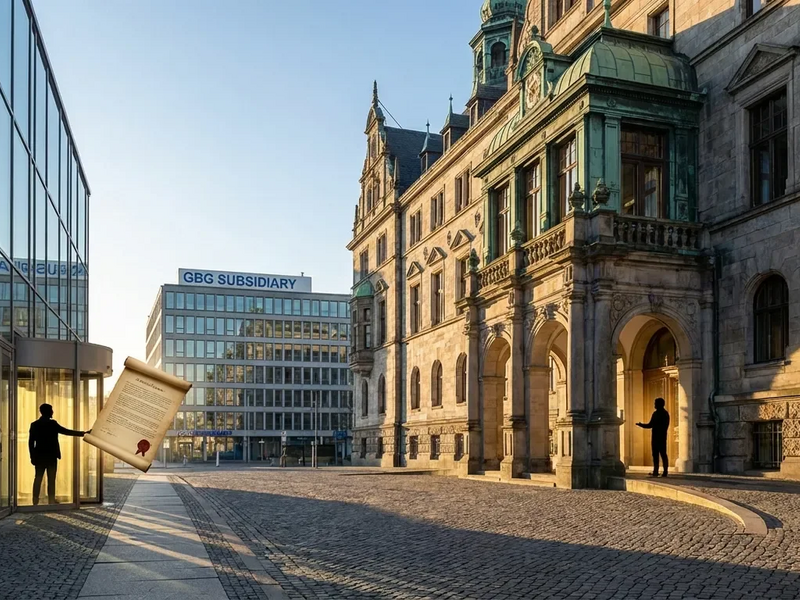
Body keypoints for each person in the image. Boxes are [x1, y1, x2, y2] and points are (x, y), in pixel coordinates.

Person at [29, 403, 90, 505]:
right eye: (51, 410)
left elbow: (31, 443)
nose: (53, 412)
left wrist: (32, 456)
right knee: (51, 480)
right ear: (48, 412)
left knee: (38, 478)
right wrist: (84, 433)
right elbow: (67, 431)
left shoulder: (35, 424)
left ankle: (35, 501)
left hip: (39, 456)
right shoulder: (52, 424)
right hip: (51, 456)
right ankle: (51, 501)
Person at [636, 397, 670, 478]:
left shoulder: (661, 414)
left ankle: (662, 471)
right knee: (657, 454)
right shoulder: (661, 414)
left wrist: (641, 425)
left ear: (660, 404)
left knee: (661, 454)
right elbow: (651, 425)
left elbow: (650, 425)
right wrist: (642, 425)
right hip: (658, 437)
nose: (654, 405)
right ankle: (658, 471)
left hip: (659, 437)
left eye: (655, 403)